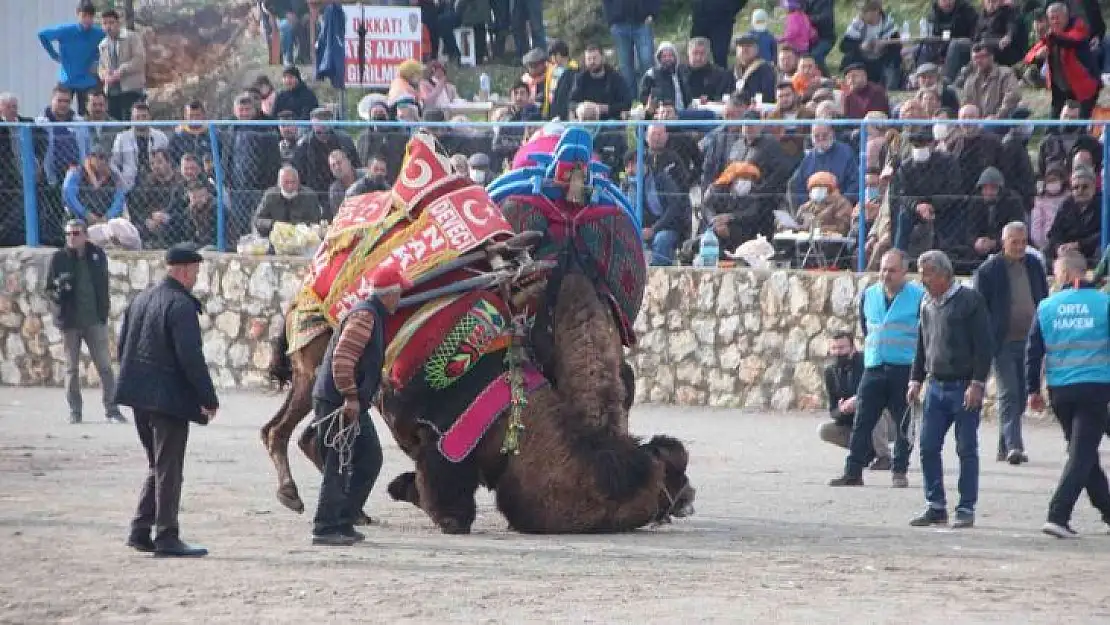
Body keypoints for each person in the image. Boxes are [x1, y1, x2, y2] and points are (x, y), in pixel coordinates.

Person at [114, 243, 219, 557]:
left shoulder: (142, 298)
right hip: (167, 400)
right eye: (195, 272)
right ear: (184, 270)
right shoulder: (180, 305)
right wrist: (208, 398)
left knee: (157, 464)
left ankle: (140, 529)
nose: (196, 278)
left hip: (137, 395)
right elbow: (191, 357)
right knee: (169, 467)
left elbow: (123, 348)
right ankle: (167, 536)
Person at [310, 267, 411, 545]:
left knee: (368, 458)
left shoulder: (371, 314)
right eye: (398, 292)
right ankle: (325, 527)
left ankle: (344, 519)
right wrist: (351, 397)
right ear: (389, 294)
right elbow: (342, 359)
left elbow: (358, 358)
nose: (400, 297)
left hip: (345, 400)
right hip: (339, 402)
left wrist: (378, 378)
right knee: (339, 463)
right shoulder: (366, 316)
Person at [907, 250, 993, 529]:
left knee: (966, 447)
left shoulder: (970, 301)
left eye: (927, 273)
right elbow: (922, 343)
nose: (922, 279)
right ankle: (936, 505)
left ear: (944, 274)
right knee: (928, 446)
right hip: (935, 386)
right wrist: (915, 379)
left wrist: (977, 383)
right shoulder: (926, 303)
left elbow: (984, 346)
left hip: (963, 386)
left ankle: (966, 507)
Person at [1027, 251, 1110, 538]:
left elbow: (1033, 351)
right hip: (1095, 388)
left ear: (1064, 274)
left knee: (1083, 455)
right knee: (1082, 456)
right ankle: (1058, 514)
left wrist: (1032, 390)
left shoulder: (1047, 306)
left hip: (1061, 391)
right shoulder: (1103, 303)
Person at [829, 250, 922, 489]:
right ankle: (853, 472)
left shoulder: (918, 297)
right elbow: (866, 326)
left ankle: (899, 471)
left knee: (903, 423)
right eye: (883, 269)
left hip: (903, 368)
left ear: (904, 272)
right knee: (862, 421)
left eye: (892, 270)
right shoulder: (869, 295)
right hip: (874, 367)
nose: (886, 274)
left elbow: (925, 335)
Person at [972, 222, 1049, 465]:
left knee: (1024, 392)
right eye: (1013, 242)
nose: (1018, 246)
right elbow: (980, 309)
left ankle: (1004, 446)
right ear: (1003, 241)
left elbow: (1043, 298)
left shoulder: (1035, 265)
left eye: (1022, 242)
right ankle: (1015, 446)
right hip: (1002, 341)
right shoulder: (988, 271)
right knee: (1009, 393)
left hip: (1029, 343)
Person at [44, 220, 124, 425]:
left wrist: (103, 313)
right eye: (68, 234)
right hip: (70, 322)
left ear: (85, 235)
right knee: (71, 369)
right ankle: (75, 411)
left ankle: (112, 409)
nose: (72, 237)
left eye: (76, 233)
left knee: (105, 366)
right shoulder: (59, 258)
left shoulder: (97, 255)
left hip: (94, 320)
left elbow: (103, 285)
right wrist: (59, 294)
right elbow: (49, 290)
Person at [817, 332, 894, 469]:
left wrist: (859, 400)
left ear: (853, 348)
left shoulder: (868, 363)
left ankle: (884, 457)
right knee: (824, 430)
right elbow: (833, 411)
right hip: (855, 422)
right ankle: (865, 451)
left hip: (887, 423)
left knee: (872, 408)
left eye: (842, 348)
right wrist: (842, 410)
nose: (838, 352)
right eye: (834, 348)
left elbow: (882, 393)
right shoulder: (830, 373)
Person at [37, 2, 105, 116]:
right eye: (84, 16)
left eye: (90, 17)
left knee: (88, 113)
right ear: (78, 15)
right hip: (67, 78)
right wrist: (54, 55)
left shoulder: (98, 33)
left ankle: (87, 133)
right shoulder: (66, 30)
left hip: (87, 79)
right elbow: (42, 35)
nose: (87, 20)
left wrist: (97, 60)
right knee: (59, 109)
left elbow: (108, 45)